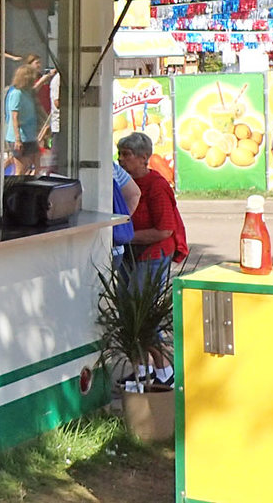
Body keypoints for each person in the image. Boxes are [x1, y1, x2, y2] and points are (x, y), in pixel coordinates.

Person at [118, 131, 186, 389]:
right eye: (120, 154)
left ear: (144, 158)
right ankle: (144, 369)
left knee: (142, 315)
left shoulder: (156, 186)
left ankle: (164, 368)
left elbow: (165, 230)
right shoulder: (124, 184)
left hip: (153, 255)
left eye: (127, 155)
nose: (122, 160)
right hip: (131, 255)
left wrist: (125, 236)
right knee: (129, 313)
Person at [4, 64, 41, 175]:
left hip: (30, 136)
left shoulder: (28, 93)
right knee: (21, 169)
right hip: (20, 137)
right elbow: (15, 117)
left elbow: (36, 89)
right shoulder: (17, 94)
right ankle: (15, 189)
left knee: (38, 166)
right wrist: (17, 139)